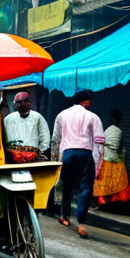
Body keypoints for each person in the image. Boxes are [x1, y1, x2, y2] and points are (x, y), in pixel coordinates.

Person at [51, 90, 104, 239]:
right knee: (85, 187)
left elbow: (55, 139)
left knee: (68, 184)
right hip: (85, 153)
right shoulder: (93, 117)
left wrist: (55, 160)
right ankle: (81, 220)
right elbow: (99, 144)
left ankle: (64, 215)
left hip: (68, 153)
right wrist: (97, 166)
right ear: (86, 101)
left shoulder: (62, 115)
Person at [93, 109, 130, 206]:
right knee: (117, 183)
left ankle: (102, 201)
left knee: (103, 182)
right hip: (117, 161)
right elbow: (120, 148)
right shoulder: (119, 131)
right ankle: (112, 202)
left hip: (106, 160)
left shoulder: (108, 130)